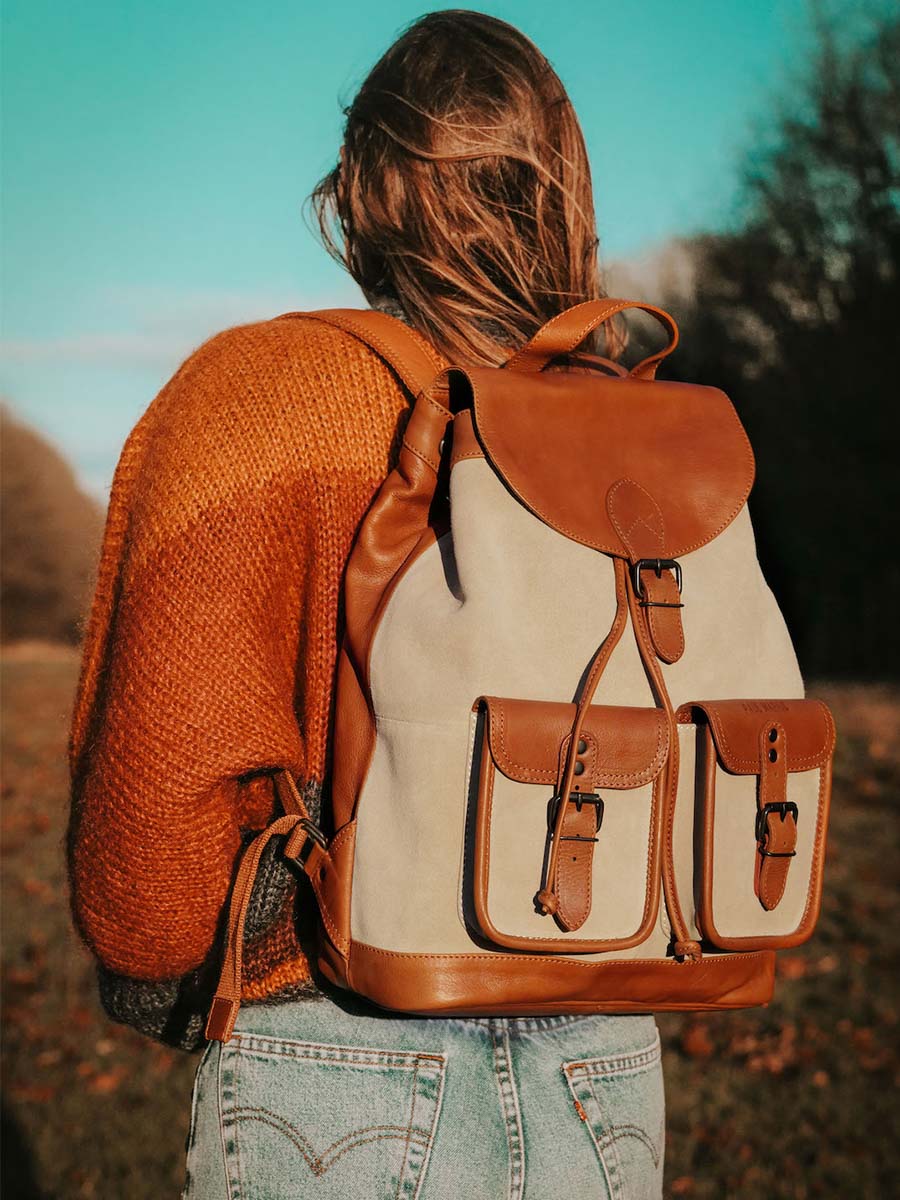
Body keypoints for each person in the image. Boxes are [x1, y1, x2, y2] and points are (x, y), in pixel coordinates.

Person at [67, 11, 665, 1198]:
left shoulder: (255, 395)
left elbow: (148, 860)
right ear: (564, 188)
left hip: (335, 1061)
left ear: (359, 191)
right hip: (610, 1063)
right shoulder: (641, 430)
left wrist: (182, 964)